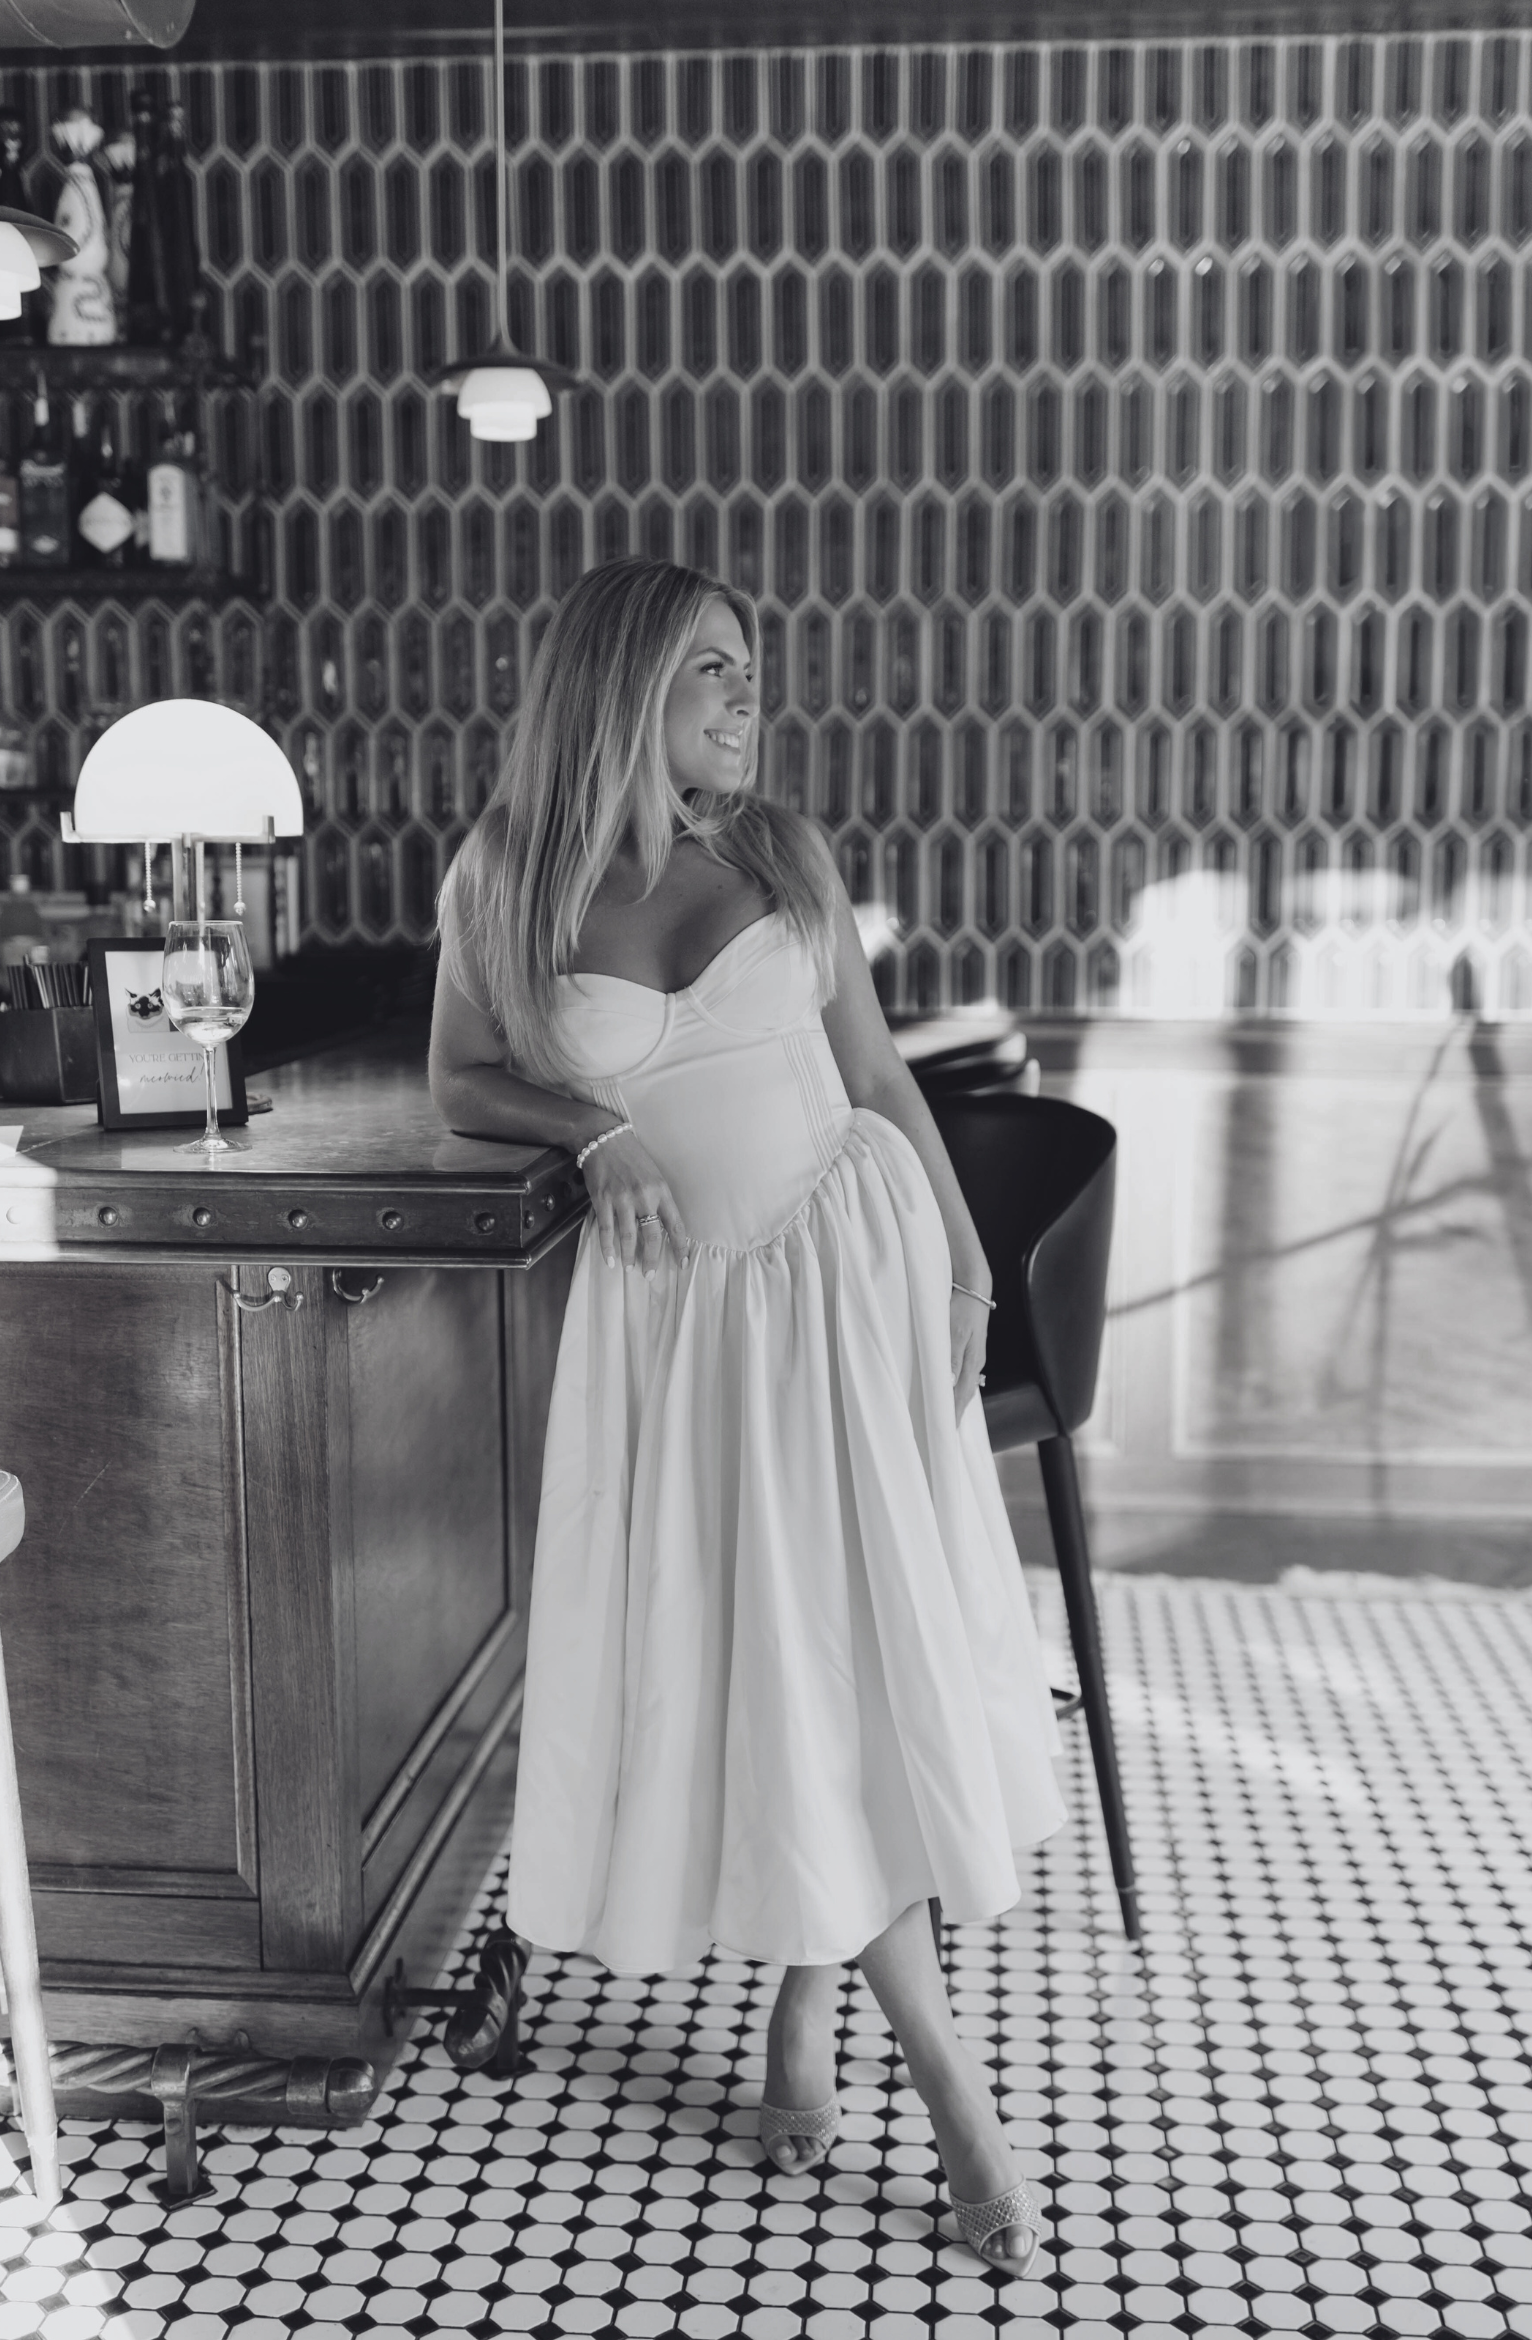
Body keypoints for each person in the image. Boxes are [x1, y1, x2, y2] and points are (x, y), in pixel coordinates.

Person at [429, 558, 1067, 2281]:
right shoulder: (504, 874)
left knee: (852, 1657)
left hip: (851, 1274)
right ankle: (852, 2026)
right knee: (794, 1670)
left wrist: (961, 1269)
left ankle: (925, 2084)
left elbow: (874, 1081)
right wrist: (594, 1132)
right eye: (712, 667)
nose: (747, 693)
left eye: (750, 667)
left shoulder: (777, 849)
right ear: (621, 683)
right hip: (693, 1331)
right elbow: (458, 1077)